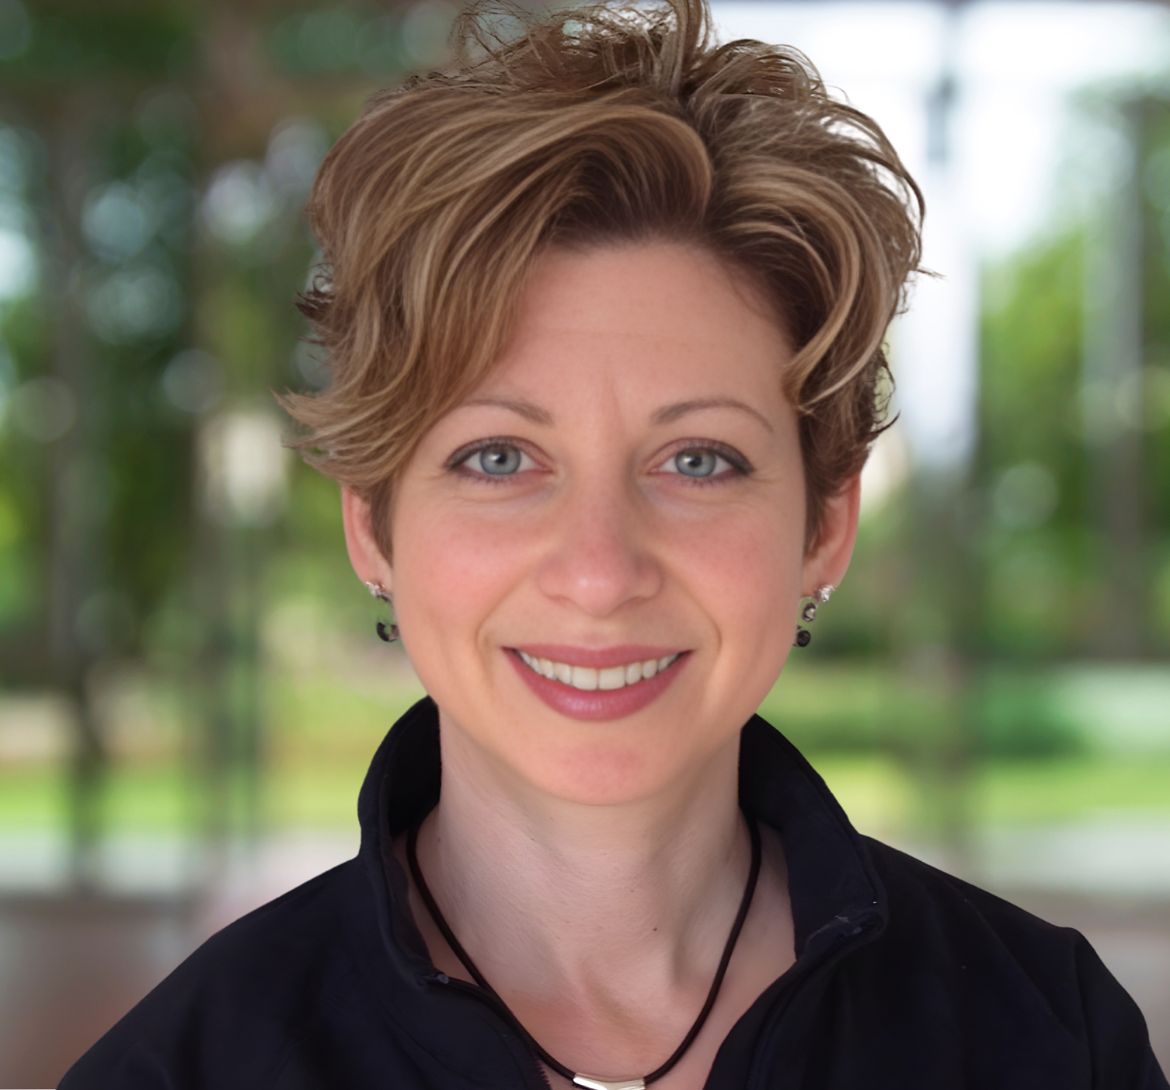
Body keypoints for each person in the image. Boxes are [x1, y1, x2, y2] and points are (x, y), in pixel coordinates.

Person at [62, 0, 1167, 1087]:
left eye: (697, 460)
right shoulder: (184, 1066)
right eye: (499, 458)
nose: (598, 573)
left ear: (825, 525)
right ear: (374, 525)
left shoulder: (1047, 1037)